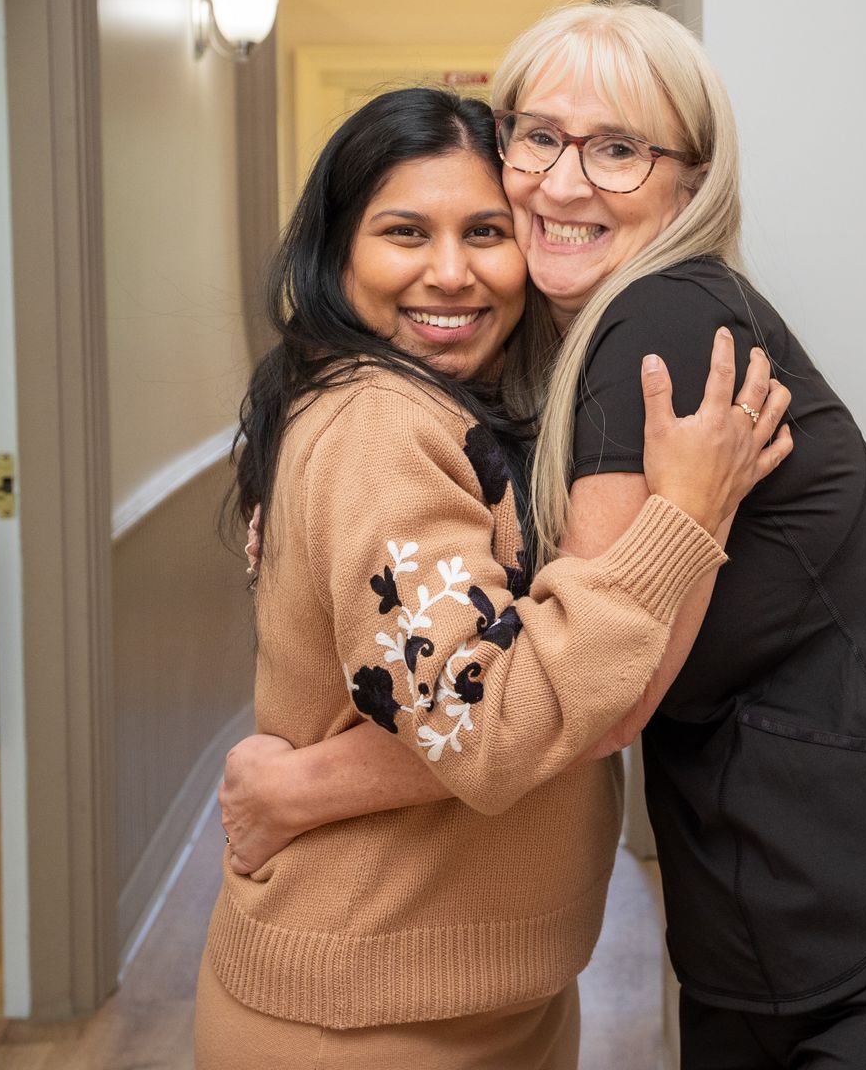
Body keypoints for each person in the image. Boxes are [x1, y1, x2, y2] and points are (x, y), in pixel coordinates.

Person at [220, 3, 866, 1068]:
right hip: (771, 933)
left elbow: (593, 699)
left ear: (690, 179)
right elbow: (541, 674)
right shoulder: (469, 393)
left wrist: (305, 784)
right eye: (539, 136)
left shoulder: (656, 321)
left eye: (619, 148)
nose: (565, 183)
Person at [193, 84, 793, 1069]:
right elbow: (485, 719)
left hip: (468, 991)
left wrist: (305, 786)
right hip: (361, 1019)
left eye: (484, 230)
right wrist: (684, 518)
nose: (450, 272)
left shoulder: (466, 410)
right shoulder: (381, 424)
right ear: (338, 251)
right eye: (403, 231)